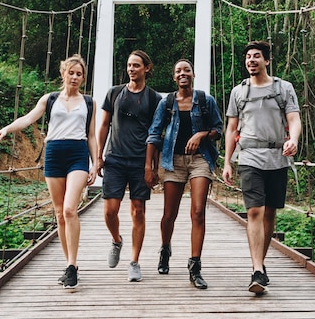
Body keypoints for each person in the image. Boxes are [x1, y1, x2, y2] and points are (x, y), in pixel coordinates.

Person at [0, 54, 97, 290]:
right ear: (63, 73)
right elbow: (28, 119)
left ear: (83, 77)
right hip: (54, 154)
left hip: (77, 154)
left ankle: (72, 264)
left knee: (69, 209)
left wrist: (95, 163)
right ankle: (71, 267)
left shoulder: (89, 102)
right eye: (71, 72)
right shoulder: (50, 99)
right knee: (59, 213)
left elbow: (91, 135)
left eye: (79, 74)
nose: (75, 77)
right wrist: (5, 130)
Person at [222, 41, 301, 294]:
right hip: (249, 157)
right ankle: (257, 269)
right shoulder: (239, 92)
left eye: (256, 56)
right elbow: (232, 129)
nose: (251, 60)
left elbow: (294, 119)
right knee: (255, 211)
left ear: (267, 61)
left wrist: (294, 140)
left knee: (269, 214)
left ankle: (261, 265)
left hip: (277, 157)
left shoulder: (284, 88)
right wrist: (227, 161)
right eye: (248, 57)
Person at [145, 59, 222, 289]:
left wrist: (201, 135)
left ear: (193, 74)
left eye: (186, 70)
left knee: (198, 211)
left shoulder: (206, 100)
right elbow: (154, 134)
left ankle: (195, 266)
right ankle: (165, 248)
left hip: (200, 159)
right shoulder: (166, 103)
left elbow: (218, 130)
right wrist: (149, 167)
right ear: (174, 76)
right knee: (169, 214)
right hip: (173, 160)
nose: (182, 74)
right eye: (178, 70)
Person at [96, 50, 161, 282]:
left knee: (138, 211)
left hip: (139, 162)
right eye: (129, 65)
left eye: (136, 65)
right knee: (110, 210)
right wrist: (98, 156)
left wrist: (153, 167)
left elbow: (156, 134)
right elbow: (104, 125)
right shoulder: (114, 93)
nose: (131, 69)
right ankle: (116, 240)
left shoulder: (154, 99)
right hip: (115, 158)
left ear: (147, 68)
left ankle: (134, 262)